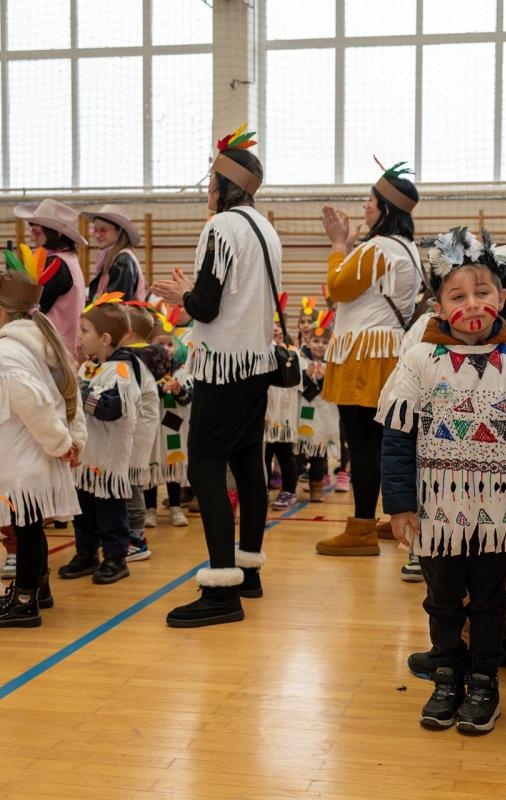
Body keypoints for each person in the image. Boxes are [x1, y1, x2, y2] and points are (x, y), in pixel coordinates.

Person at [378, 227, 506, 735]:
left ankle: (484, 683)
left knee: (490, 599)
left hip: (494, 515)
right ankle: (447, 676)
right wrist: (400, 504)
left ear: (502, 298)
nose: (472, 303)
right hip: (436, 513)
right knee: (442, 599)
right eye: (458, 295)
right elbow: (397, 437)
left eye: (482, 292)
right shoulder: (418, 359)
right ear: (438, 303)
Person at [152, 123, 281, 627]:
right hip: (255, 363)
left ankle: (221, 588)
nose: (207, 192)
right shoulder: (264, 228)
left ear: (226, 187)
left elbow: (204, 307)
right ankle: (248, 571)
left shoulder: (219, 228)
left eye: (210, 183)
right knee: (248, 460)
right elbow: (229, 299)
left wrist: (177, 297)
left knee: (204, 465)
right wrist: (193, 292)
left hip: (223, 364)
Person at [315, 159, 421, 557]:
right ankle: (393, 514)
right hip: (391, 350)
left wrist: (339, 245)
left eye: (370, 201)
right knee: (384, 441)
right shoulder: (408, 248)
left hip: (364, 352)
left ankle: (359, 527)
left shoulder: (377, 248)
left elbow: (337, 288)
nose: (364, 206)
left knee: (361, 442)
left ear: (386, 209)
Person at [0, 272, 85, 626]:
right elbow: (72, 394)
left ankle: (24, 601)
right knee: (30, 527)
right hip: (38, 454)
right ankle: (38, 588)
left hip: (24, 456)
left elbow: (30, 402)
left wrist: (61, 443)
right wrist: (71, 441)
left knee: (26, 528)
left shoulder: (7, 351)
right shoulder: (40, 342)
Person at [59, 299, 140, 585]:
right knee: (84, 511)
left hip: (107, 458)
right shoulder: (91, 368)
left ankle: (116, 558)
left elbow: (110, 408)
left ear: (105, 339)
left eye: (84, 330)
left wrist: (81, 392)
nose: (78, 336)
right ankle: (86, 554)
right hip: (87, 456)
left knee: (110, 511)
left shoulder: (121, 370)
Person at [117, 305, 171, 562]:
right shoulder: (136, 357)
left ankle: (136, 540)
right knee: (129, 484)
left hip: (135, 431)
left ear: (127, 332)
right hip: (136, 430)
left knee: (131, 485)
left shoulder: (133, 360)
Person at [12, 199, 87, 358]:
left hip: (55, 347)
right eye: (31, 231)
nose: (32, 238)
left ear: (57, 233)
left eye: (37, 232)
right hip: (60, 344)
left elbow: (35, 302)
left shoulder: (56, 264)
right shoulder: (68, 257)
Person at [144, 320, 193, 529]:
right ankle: (150, 509)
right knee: (151, 467)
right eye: (160, 343)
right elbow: (142, 398)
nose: (166, 349)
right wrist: (159, 391)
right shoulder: (146, 374)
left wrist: (178, 391)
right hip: (153, 428)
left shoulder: (183, 372)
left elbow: (188, 399)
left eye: (170, 344)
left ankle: (175, 506)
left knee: (174, 463)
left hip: (174, 427)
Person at [296, 312, 338, 503]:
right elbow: (298, 387)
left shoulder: (333, 364)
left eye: (324, 342)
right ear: (308, 341)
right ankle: (291, 485)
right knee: (298, 448)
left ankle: (316, 486)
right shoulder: (300, 360)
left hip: (323, 413)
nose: (320, 345)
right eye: (316, 341)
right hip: (303, 411)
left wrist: (322, 380)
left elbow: (334, 390)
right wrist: (307, 377)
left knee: (318, 451)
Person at [265, 321, 304, 511]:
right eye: (273, 326)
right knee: (263, 455)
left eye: (279, 327)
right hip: (264, 415)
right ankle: (260, 490)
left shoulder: (293, 353)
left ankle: (289, 490)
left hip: (284, 416)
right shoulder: (260, 351)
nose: (276, 330)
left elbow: (299, 383)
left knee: (285, 454)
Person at [84, 205, 146, 302]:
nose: (97, 235)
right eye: (95, 230)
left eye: (103, 230)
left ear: (120, 231)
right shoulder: (113, 258)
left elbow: (116, 305)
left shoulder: (122, 262)